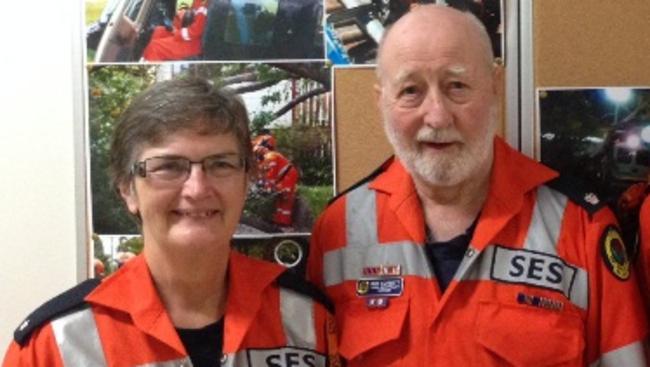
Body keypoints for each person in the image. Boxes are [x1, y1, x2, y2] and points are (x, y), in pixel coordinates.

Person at [307, 5, 647, 366]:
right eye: (410, 90)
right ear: (381, 103)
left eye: (457, 86)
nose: (437, 116)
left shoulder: (581, 228)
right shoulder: (337, 231)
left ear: (495, 86)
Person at [3, 78, 339, 367]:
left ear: (247, 179)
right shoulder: (55, 342)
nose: (197, 188)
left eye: (220, 164)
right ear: (127, 189)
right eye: (169, 166)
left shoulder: (308, 319)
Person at [253, 134, 300, 228]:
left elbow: (270, 176)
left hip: (287, 177)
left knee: (285, 199)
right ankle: (279, 222)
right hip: (284, 178)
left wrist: (267, 188)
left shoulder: (271, 157)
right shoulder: (266, 158)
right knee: (280, 201)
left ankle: (284, 224)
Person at [142, 0, 208, 61]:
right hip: (188, 37)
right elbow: (191, 20)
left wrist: (177, 33)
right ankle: (148, 59)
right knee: (159, 31)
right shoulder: (198, 2)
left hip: (194, 44)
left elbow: (195, 32)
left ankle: (149, 63)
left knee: (155, 47)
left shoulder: (204, 6)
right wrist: (182, 13)